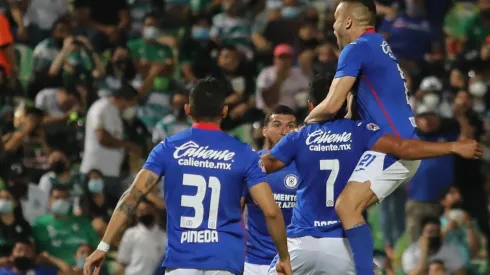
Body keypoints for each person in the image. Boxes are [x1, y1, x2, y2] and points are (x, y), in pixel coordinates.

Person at [262, 75, 481, 274]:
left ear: (311, 105)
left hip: (300, 244)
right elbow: (406, 149)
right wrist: (453, 147)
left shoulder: (297, 138)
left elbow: (265, 165)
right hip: (345, 245)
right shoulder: (361, 131)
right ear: (346, 100)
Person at [83, 78, 292, 275]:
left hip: (181, 261)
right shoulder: (244, 153)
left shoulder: (167, 148)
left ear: (188, 110)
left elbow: (132, 196)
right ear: (225, 111)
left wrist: (103, 245)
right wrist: (284, 257)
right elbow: (271, 212)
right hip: (225, 260)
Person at [304, 0, 420, 273]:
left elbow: (332, 104)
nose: (332, 26)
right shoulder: (378, 46)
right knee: (343, 205)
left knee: (345, 206)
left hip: (393, 149)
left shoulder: (356, 49)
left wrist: (305, 126)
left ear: (347, 22)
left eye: (335, 18)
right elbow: (354, 107)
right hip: (396, 146)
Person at [241, 105, 299, 275]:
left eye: (290, 126)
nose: (284, 131)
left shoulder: (305, 166)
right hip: (254, 262)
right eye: (277, 125)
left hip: (293, 260)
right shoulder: (251, 165)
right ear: (264, 131)